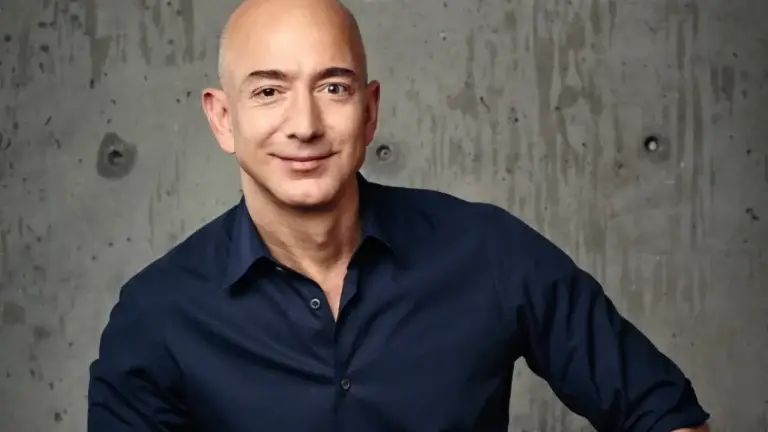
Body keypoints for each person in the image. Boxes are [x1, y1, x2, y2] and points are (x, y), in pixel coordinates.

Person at [87, 0, 711, 430]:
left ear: (369, 110)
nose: (303, 125)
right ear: (223, 117)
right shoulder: (157, 316)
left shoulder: (488, 251)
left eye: (333, 87)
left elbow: (663, 412)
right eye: (269, 90)